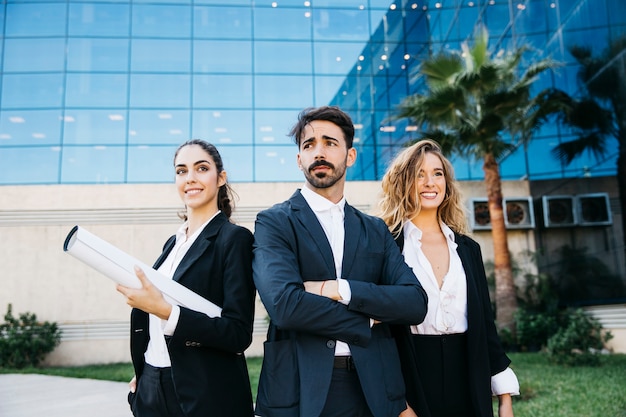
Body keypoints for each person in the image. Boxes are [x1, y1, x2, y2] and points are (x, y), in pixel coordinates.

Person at [252, 106, 428, 417]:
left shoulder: (375, 229)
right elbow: (285, 306)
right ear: (299, 160)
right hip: (299, 390)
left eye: (330, 143)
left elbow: (414, 303)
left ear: (350, 156)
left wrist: (339, 289)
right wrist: (366, 319)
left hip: (375, 389)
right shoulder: (274, 222)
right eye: (309, 145)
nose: (318, 152)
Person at [378, 139, 520, 417]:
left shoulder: (468, 249)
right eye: (419, 174)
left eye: (437, 173)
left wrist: (505, 399)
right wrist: (400, 406)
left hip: (468, 375)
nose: (430, 182)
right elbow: (379, 334)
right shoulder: (386, 246)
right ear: (402, 182)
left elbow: (485, 327)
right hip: (412, 377)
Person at [116, 139, 256, 417]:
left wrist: (167, 312)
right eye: (182, 171)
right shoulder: (173, 243)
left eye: (201, 168)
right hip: (153, 388)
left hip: (204, 393)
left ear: (221, 178)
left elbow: (238, 333)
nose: (190, 178)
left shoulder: (234, 239)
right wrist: (146, 373)